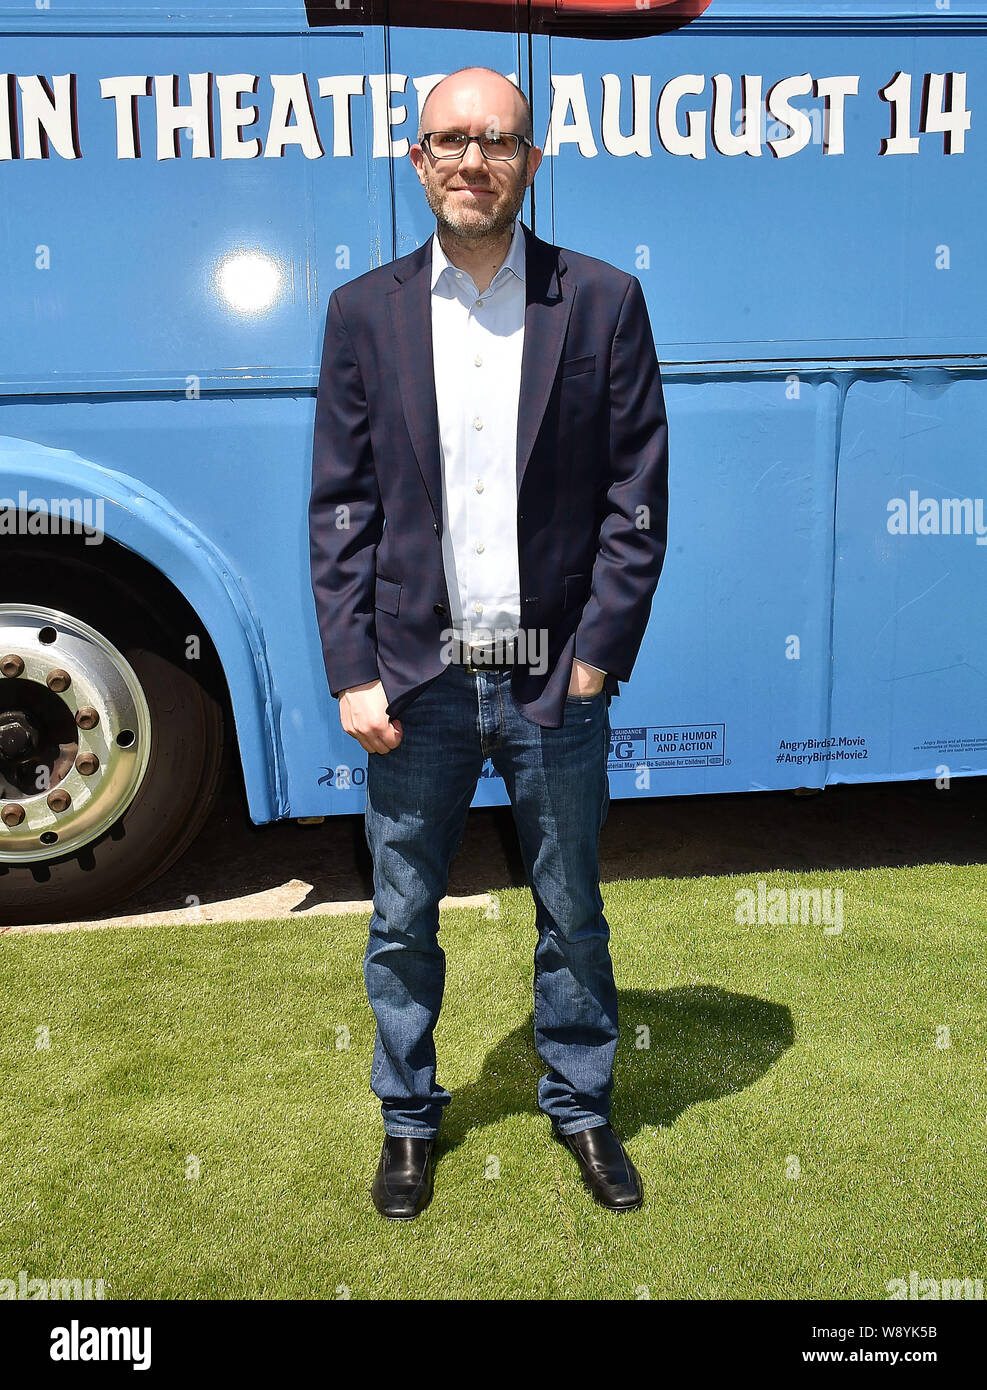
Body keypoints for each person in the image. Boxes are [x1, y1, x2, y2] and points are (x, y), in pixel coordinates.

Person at [309, 65, 669, 1219]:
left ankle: (582, 1106)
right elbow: (342, 504)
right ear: (417, 162)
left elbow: (636, 495)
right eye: (451, 142)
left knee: (571, 904)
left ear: (532, 158)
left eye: (498, 141)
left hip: (553, 678)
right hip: (416, 681)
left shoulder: (601, 300)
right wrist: (352, 668)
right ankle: (409, 1120)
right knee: (402, 913)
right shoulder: (363, 311)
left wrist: (599, 653)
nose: (475, 160)